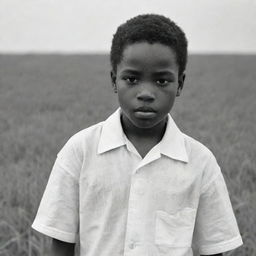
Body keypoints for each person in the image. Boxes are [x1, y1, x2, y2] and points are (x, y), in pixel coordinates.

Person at [32, 14, 243, 256]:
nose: (145, 93)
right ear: (114, 80)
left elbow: (213, 249)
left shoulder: (200, 162)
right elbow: (60, 244)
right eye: (131, 79)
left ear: (180, 84)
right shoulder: (80, 151)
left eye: (162, 81)